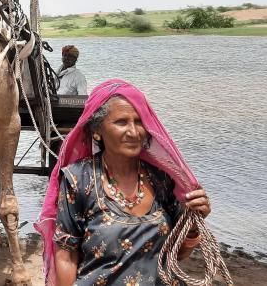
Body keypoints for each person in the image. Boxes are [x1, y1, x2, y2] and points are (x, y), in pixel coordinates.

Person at [36, 79, 211, 286]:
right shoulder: (78, 179)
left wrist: (193, 224)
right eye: (121, 122)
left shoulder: (161, 179)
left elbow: (178, 254)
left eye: (139, 121)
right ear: (97, 130)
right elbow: (66, 257)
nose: (134, 132)